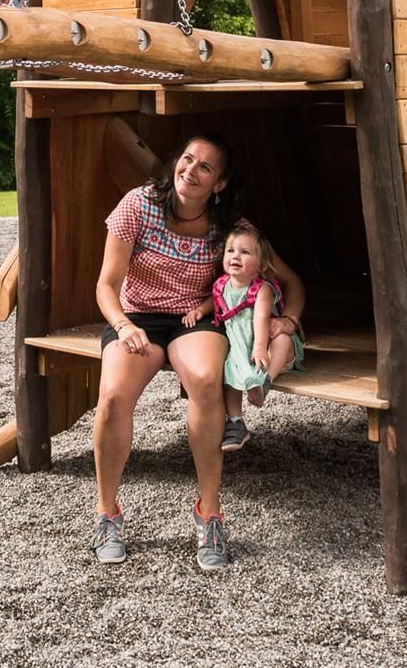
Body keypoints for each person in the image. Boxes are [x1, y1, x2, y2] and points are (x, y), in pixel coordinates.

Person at [89, 134, 238, 570]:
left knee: (208, 380)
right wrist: (123, 325)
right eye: (187, 161)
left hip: (193, 319)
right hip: (136, 316)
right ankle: (107, 514)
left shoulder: (226, 221)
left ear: (220, 184)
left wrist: (285, 317)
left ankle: (209, 514)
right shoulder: (139, 205)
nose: (191, 171)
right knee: (114, 395)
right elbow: (106, 285)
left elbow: (259, 273)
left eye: (205, 168)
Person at [185, 218, 306, 453]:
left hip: (268, 346)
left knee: (281, 340)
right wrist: (199, 310)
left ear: (261, 266)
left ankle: (265, 382)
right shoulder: (222, 284)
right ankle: (236, 421)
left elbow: (260, 319)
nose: (235, 256)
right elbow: (215, 300)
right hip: (241, 347)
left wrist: (260, 347)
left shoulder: (261, 289)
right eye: (230, 251)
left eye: (245, 252)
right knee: (229, 372)